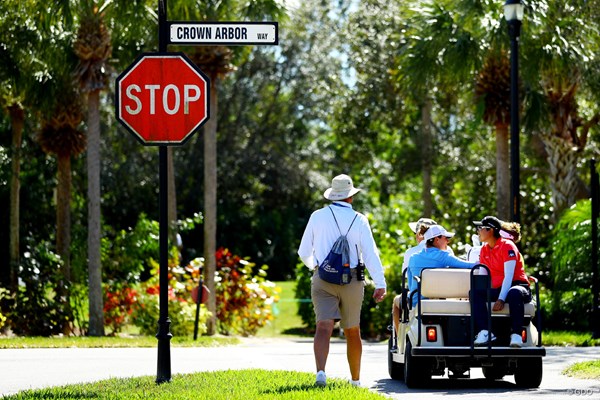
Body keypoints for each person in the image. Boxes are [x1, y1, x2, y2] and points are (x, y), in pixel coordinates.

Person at [298, 174, 387, 388]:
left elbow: (303, 252)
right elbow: (371, 254)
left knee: (323, 327)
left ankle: (321, 373)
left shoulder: (317, 216)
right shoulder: (360, 219)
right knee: (352, 330)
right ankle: (355, 380)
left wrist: (317, 267)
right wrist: (380, 283)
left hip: (323, 279)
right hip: (353, 281)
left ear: (332, 196)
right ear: (350, 197)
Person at [471, 216, 531, 348]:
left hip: (519, 286)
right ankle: (485, 331)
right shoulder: (484, 249)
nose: (478, 232)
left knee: (514, 292)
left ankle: (516, 335)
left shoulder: (507, 246)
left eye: (480, 228)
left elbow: (509, 276)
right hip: (501, 289)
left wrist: (501, 299)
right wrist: (483, 293)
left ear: (490, 230)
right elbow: (483, 276)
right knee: (475, 293)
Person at [406, 224, 477, 306]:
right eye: (446, 238)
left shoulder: (413, 258)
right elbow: (468, 265)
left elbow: (411, 285)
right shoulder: (443, 256)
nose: (448, 241)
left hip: (416, 305)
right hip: (437, 305)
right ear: (437, 239)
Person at [391, 218, 437, 338]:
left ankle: (398, 338)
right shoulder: (447, 251)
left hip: (416, 297)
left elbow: (406, 275)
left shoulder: (411, 253)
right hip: (440, 296)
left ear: (418, 235)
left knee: (396, 302)